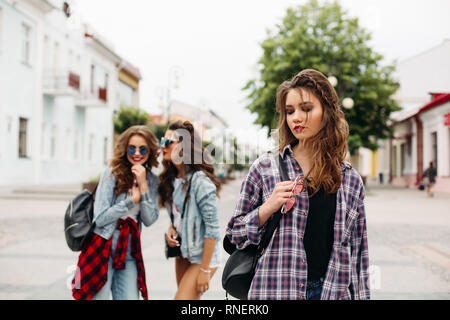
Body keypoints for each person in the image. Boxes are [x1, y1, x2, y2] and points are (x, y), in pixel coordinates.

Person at [225, 69, 370, 300]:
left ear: (327, 112)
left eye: (306, 109)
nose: (296, 118)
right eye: (289, 111)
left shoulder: (349, 179)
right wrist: (267, 208)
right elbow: (234, 235)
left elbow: (359, 252)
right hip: (275, 290)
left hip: (331, 291)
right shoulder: (265, 168)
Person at [72, 125, 160, 300]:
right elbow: (101, 218)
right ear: (124, 149)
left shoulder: (151, 178)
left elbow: (150, 219)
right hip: (103, 244)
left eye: (142, 148)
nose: (137, 153)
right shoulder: (111, 174)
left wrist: (143, 186)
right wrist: (130, 201)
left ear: (150, 151)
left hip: (129, 248)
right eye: (132, 148)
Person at [158, 120, 222, 299]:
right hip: (183, 251)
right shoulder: (171, 179)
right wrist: (171, 228)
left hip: (203, 256)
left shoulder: (200, 182)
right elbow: (179, 214)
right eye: (163, 141)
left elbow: (213, 229)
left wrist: (204, 270)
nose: (164, 146)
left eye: (169, 142)